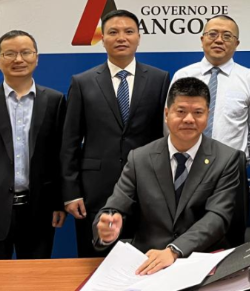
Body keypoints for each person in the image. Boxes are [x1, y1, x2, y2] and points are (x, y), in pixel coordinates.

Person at [93, 77, 242, 275]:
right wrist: (107, 227)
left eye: (198, 112)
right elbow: (115, 207)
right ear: (166, 114)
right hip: (148, 262)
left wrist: (174, 250)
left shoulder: (226, 158)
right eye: (181, 111)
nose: (189, 119)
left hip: (202, 261)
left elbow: (218, 217)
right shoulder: (140, 158)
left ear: (208, 115)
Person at [61, 9, 171, 257]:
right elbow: (69, 141)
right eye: (113, 32)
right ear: (102, 39)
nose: (121, 37)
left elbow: (163, 136)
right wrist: (71, 192)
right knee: (94, 261)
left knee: (143, 261)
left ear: (138, 37)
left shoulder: (159, 79)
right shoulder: (83, 82)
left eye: (128, 31)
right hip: (95, 191)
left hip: (147, 189)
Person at [0, 30, 66, 259]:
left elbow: (60, 157)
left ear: (36, 58)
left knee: (35, 276)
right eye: (9, 54)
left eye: (25, 53)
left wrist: (59, 202)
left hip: (39, 211)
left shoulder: (54, 101)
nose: (18, 59)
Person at [171, 15, 250, 245]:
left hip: (231, 174)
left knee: (231, 240)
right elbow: (171, 125)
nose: (219, 40)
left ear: (237, 44)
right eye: (213, 34)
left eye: (227, 36)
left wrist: (238, 161)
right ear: (202, 39)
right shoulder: (183, 75)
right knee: (184, 237)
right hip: (186, 170)